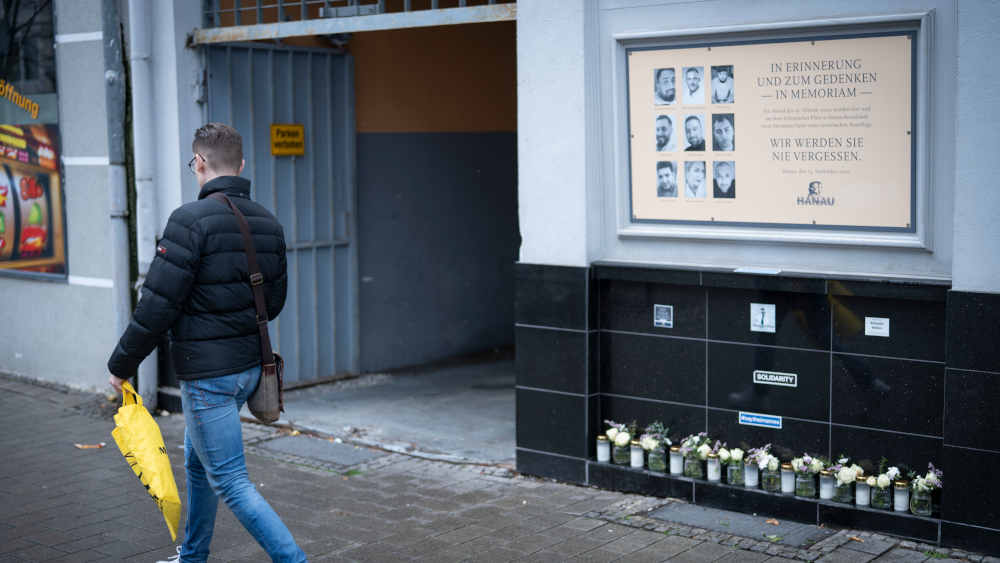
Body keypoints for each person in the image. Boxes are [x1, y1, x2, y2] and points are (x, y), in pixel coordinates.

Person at [107, 123, 307, 563]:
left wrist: (121, 364)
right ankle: (193, 555)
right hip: (250, 370)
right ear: (241, 164)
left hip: (209, 375)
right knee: (198, 462)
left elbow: (156, 306)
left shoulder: (188, 221)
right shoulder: (268, 223)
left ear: (198, 163)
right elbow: (272, 303)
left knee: (231, 480)